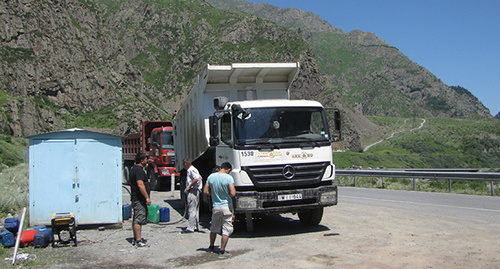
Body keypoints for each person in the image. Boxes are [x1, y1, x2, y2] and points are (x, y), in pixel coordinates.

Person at [203, 162, 236, 258]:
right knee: (226, 228)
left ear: (221, 167)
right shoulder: (229, 178)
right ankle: (222, 251)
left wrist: (212, 195)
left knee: (214, 227)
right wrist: (227, 196)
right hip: (226, 206)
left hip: (216, 206)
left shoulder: (211, 177)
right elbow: (233, 193)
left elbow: (205, 191)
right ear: (228, 169)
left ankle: (211, 246)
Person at [130, 152, 151, 247]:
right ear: (142, 160)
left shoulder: (133, 168)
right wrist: (147, 197)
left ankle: (136, 238)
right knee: (138, 219)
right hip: (139, 199)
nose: (147, 161)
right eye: (146, 159)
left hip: (136, 198)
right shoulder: (139, 170)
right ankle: (138, 241)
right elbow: (140, 184)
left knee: (136, 218)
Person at [183, 158, 202, 233]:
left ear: (185, 164)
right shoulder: (192, 170)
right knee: (195, 209)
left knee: (192, 209)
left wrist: (189, 186)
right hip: (195, 190)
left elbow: (196, 179)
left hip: (193, 191)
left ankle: (190, 228)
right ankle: (196, 226)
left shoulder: (191, 170)